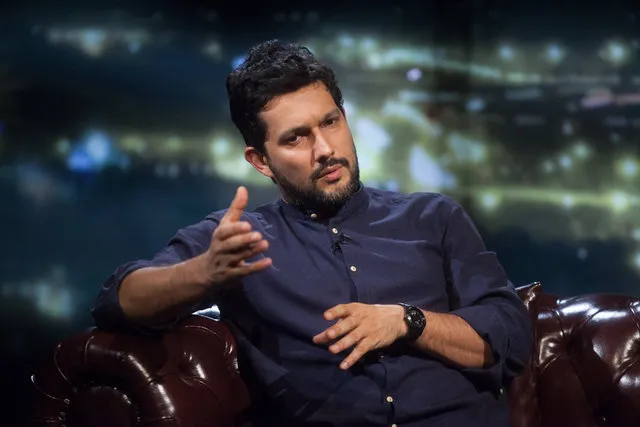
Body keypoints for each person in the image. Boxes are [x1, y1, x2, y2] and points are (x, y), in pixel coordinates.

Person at [92, 39, 533, 426]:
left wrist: (407, 321)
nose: (324, 149)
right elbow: (118, 300)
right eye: (296, 138)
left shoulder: (432, 217)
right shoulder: (241, 240)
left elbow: (510, 338)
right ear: (260, 161)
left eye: (330, 122)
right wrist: (202, 273)